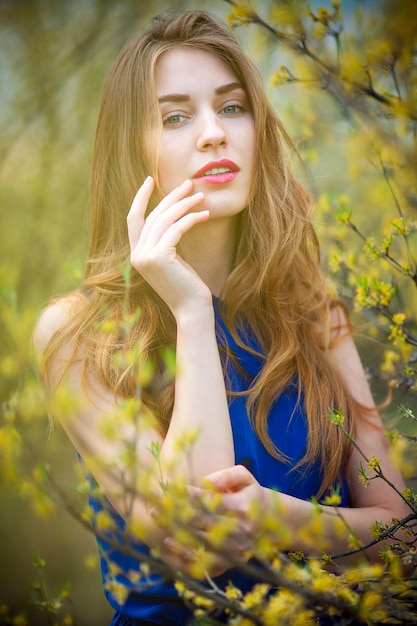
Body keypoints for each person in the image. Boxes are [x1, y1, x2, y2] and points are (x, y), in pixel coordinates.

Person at [33, 9, 409, 625]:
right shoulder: (77, 338)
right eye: (176, 117)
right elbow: (198, 535)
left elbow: (406, 540)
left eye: (232, 107)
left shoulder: (315, 316)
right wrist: (190, 310)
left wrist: (281, 519)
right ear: (133, 151)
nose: (214, 133)